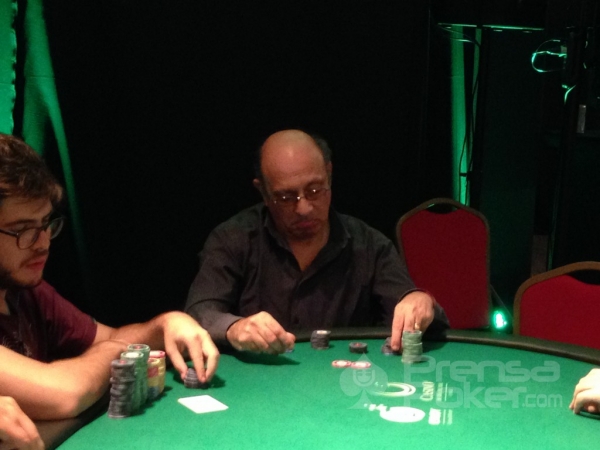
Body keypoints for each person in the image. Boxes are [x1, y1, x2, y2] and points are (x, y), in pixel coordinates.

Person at [0, 133, 219, 421]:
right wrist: (112, 353)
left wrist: (165, 324)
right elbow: (66, 394)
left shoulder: (28, 294)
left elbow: (113, 337)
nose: (43, 243)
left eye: (45, 223)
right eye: (23, 229)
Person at [185, 129, 449, 355]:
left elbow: (418, 318)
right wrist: (233, 327)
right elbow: (199, 312)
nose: (304, 208)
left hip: (342, 385)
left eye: (314, 190)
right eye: (286, 197)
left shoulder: (369, 244)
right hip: (256, 385)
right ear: (263, 192)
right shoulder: (233, 239)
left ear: (329, 175)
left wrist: (419, 301)